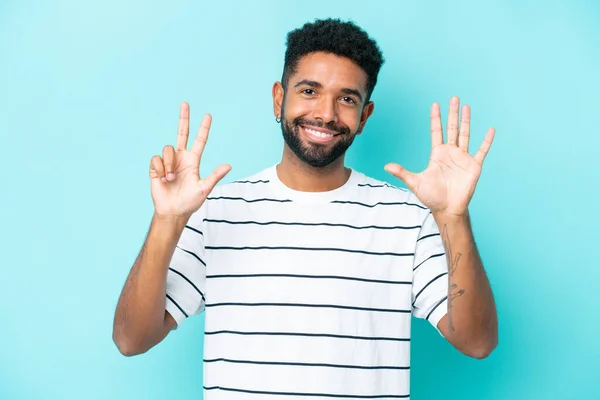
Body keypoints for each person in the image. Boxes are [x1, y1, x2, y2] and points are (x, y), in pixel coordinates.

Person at [113, 18, 498, 399]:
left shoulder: (407, 218)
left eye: (347, 98)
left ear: (364, 116)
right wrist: (167, 221)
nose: (327, 113)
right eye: (310, 90)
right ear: (279, 98)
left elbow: (477, 342)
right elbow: (131, 339)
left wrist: (453, 217)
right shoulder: (215, 212)